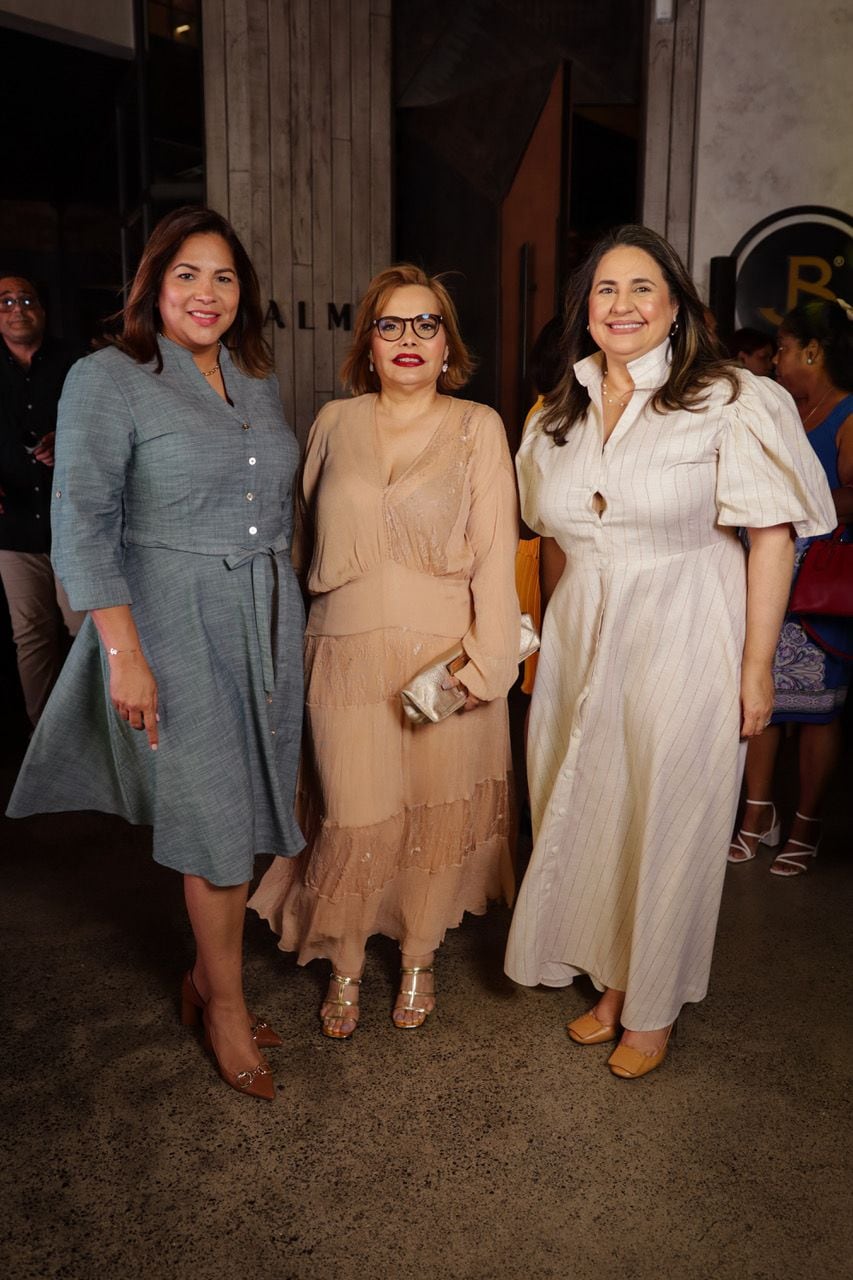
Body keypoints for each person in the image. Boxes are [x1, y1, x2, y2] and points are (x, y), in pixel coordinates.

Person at [504, 224, 835, 1079]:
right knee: (595, 803)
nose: (622, 305)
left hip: (689, 619)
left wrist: (755, 665)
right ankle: (611, 983)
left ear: (678, 306)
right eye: (606, 290)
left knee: (675, 814)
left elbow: (769, 534)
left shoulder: (728, 396)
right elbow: (540, 534)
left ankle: (650, 1006)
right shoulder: (558, 413)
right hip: (586, 630)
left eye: (642, 288)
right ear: (585, 309)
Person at [7, 207, 305, 1101]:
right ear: (153, 286)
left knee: (250, 800)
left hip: (263, 611)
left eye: (223, 277)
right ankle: (223, 1003)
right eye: (186, 275)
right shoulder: (109, 378)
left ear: (241, 292)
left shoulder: (254, 378)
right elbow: (82, 523)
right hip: (170, 619)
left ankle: (202, 979)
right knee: (213, 820)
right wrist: (122, 653)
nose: (206, 294)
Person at [249, 264, 519, 1037]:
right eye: (390, 325)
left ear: (446, 345)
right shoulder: (333, 424)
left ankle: (418, 958)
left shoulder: (478, 427)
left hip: (445, 658)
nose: (408, 339)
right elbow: (300, 543)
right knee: (353, 817)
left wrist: (487, 666)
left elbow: (497, 558)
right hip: (339, 653)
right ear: (367, 344)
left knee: (428, 822)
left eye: (425, 324)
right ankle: (343, 965)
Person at [729, 298, 853, 875]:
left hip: (820, 584)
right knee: (760, 704)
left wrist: (789, 509)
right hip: (765, 574)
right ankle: (758, 814)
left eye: (782, 349)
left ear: (814, 351)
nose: (775, 360)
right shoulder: (782, 410)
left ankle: (806, 821)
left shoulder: (848, 413)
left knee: (817, 711)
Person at [0, 274, 85, 725]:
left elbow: (105, 428)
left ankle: (98, 742)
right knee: (31, 638)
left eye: (27, 299)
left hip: (74, 523)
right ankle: (46, 746)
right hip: (13, 530)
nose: (17, 308)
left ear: (43, 311)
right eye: (6, 301)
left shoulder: (77, 362)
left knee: (88, 631)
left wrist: (66, 439)